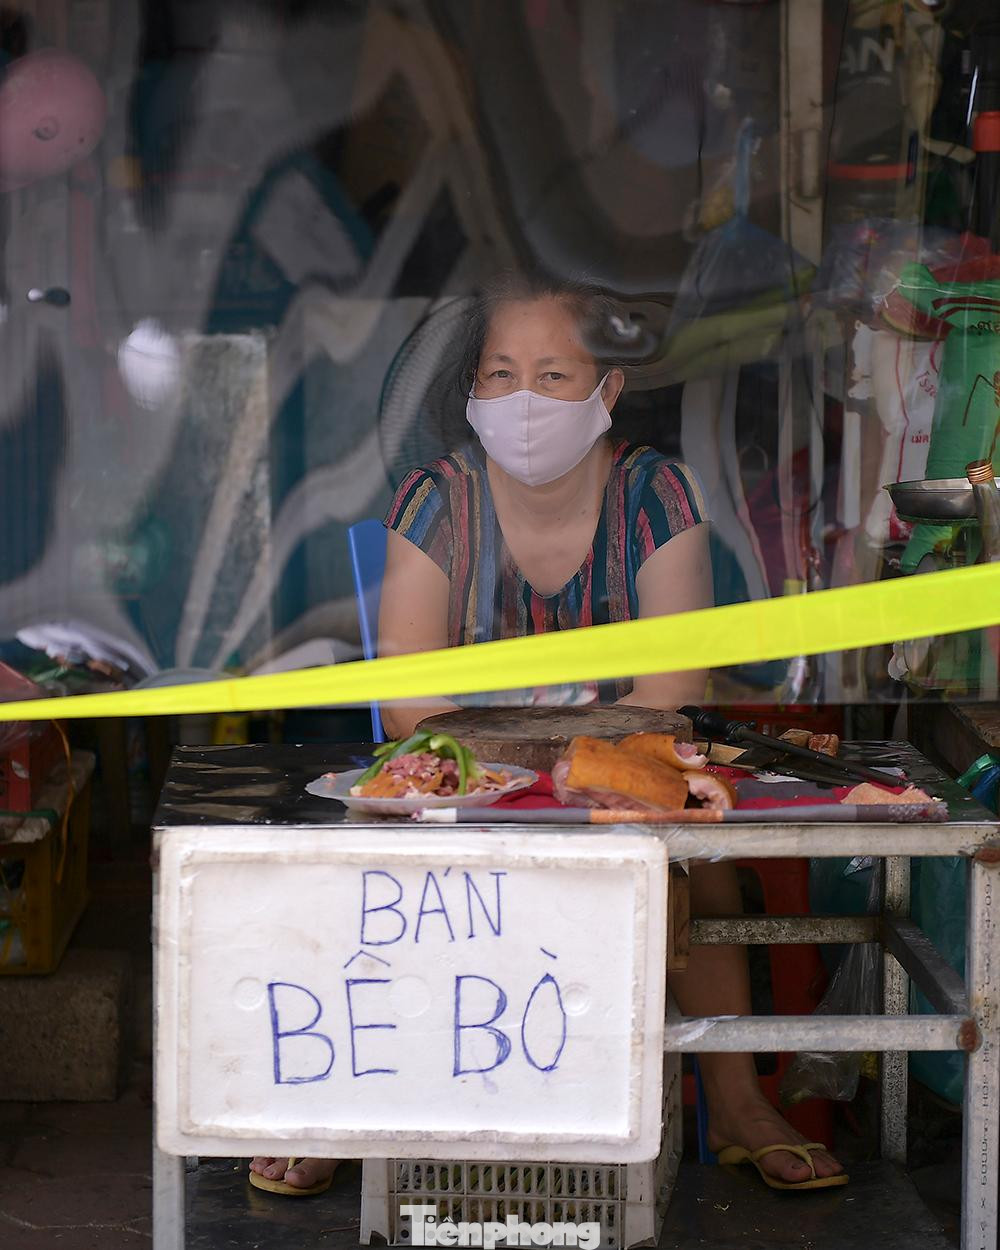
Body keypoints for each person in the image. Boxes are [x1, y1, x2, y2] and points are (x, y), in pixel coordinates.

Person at [250, 271, 845, 1194]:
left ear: (609, 389)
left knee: (699, 863)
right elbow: (406, 696)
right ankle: (351, 1106)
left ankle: (736, 1101)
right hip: (462, 779)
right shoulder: (435, 499)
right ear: (471, 389)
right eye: (500, 374)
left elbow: (671, 691)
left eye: (554, 375)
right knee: (385, 869)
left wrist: (582, 769)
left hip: (620, 779)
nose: (522, 399)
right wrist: (517, 769)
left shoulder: (658, 495)